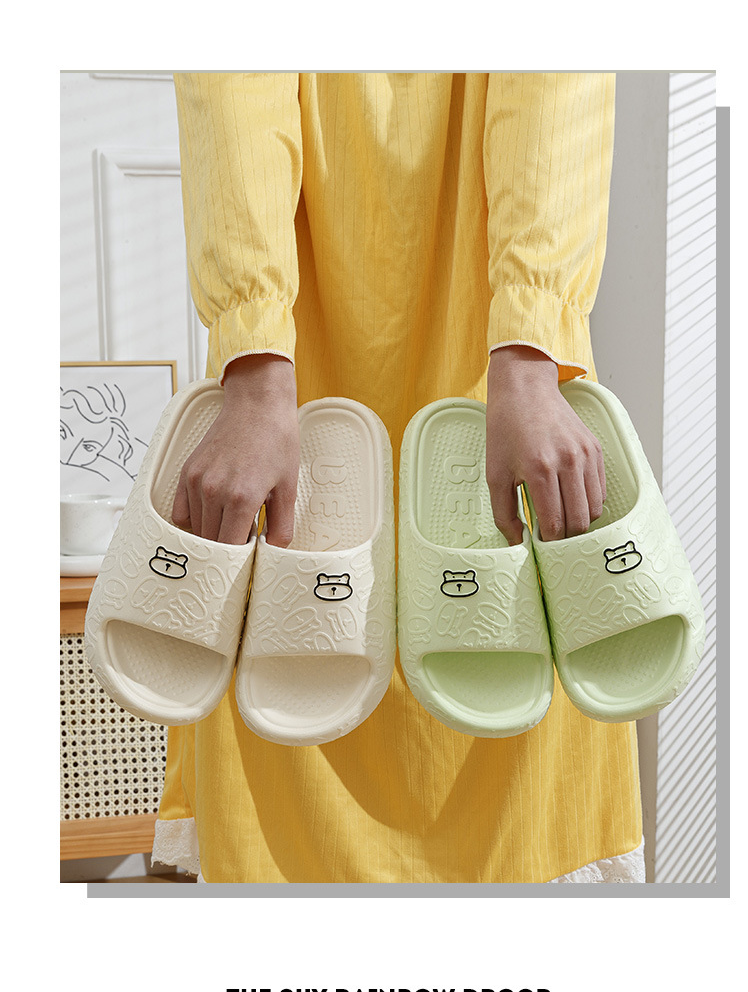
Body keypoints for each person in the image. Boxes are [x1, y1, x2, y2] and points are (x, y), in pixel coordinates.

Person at [151, 72, 644, 884]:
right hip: (298, 364)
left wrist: (529, 352)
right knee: (293, 642)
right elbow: (235, 75)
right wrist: (257, 364)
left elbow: (555, 67)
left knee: (508, 649)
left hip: (492, 359)